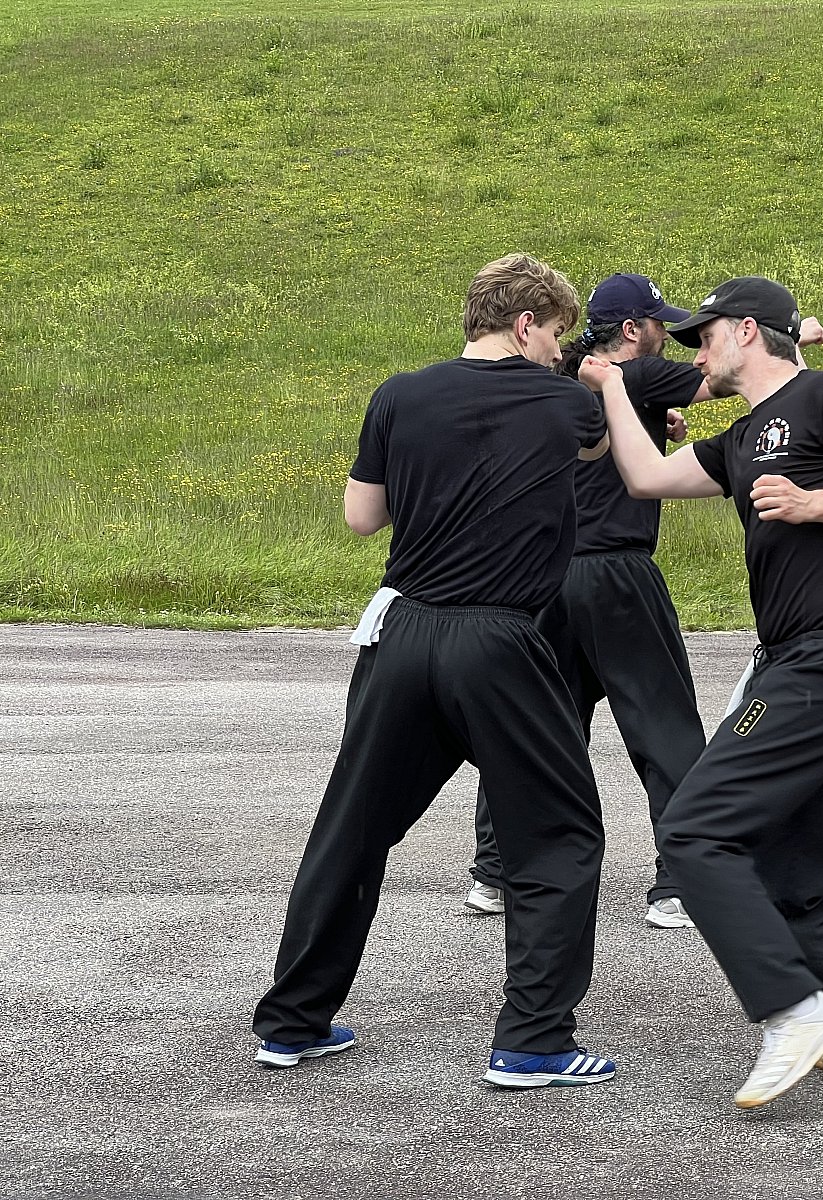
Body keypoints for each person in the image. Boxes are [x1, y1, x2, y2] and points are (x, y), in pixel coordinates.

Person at [253, 254, 619, 1089]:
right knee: (557, 835)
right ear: (527, 324)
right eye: (558, 334)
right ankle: (534, 1041)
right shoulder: (566, 403)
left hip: (404, 631)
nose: (562, 352)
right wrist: (603, 383)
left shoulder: (400, 394)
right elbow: (602, 456)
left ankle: (292, 1021)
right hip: (499, 641)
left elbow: (361, 518)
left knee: (352, 828)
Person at [587, 276, 823, 1109]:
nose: (694, 352)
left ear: (748, 330)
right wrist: (609, 390)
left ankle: (792, 1009)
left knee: (696, 829)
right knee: (787, 878)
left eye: (703, 336)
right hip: (802, 666)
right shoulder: (740, 438)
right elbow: (644, 479)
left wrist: (817, 501)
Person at [463, 275, 823, 931]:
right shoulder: (641, 375)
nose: (668, 334)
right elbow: (726, 378)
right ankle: (679, 883)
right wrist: (795, 338)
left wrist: (661, 420)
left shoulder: (555, 372)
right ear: (632, 331)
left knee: (533, 727)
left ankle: (494, 873)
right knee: (663, 727)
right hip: (617, 572)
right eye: (658, 323)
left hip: (539, 579)